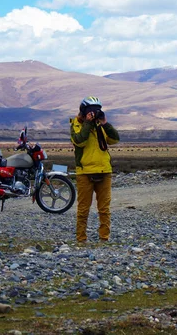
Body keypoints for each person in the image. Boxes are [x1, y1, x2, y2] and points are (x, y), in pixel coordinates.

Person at [70, 96, 120, 243]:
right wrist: (87, 123)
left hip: (104, 170)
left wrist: (105, 123)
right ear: (84, 111)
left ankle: (104, 238)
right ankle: (81, 239)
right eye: (91, 110)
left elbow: (115, 139)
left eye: (97, 110)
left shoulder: (100, 125)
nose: (94, 113)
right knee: (83, 209)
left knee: (104, 208)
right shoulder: (76, 124)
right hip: (85, 171)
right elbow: (80, 141)